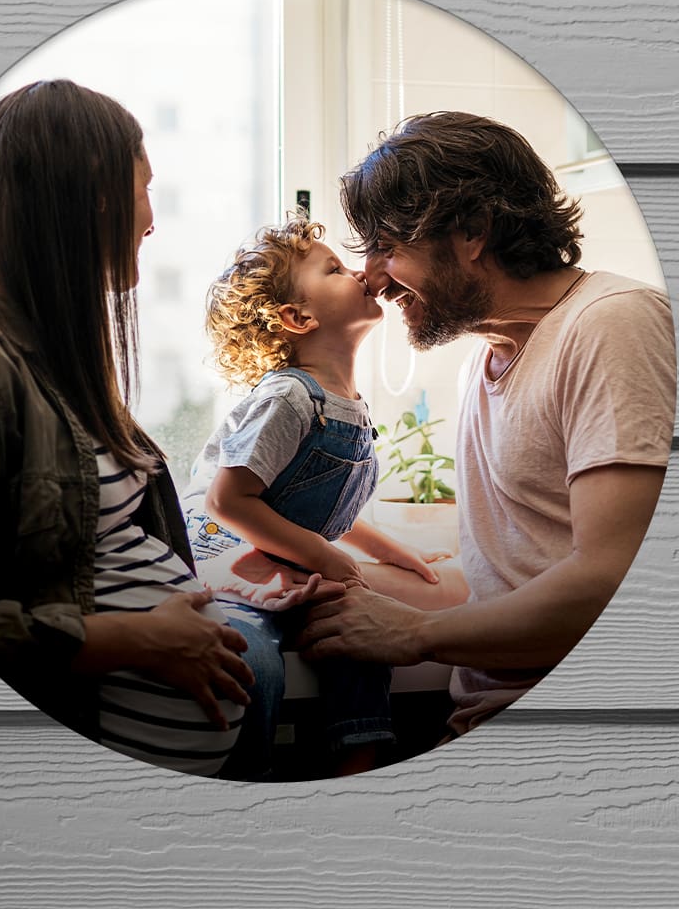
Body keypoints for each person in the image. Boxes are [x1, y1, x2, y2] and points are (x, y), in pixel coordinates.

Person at [0, 79, 257, 778]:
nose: (151, 219)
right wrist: (140, 642)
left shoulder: (53, 351)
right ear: (95, 193)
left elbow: (103, 545)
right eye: (145, 189)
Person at [296, 111, 677, 736]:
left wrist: (415, 633)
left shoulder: (611, 325)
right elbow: (510, 580)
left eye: (387, 247)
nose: (368, 275)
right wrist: (339, 587)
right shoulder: (489, 356)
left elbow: (611, 579)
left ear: (473, 230)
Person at [181, 216, 468, 776]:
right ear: (298, 317)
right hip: (229, 562)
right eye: (334, 268)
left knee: (363, 635)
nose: (359, 271)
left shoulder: (346, 402)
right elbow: (228, 502)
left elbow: (320, 506)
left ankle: (358, 763)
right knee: (252, 661)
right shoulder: (289, 397)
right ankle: (245, 778)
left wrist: (390, 552)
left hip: (291, 566)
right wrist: (329, 558)